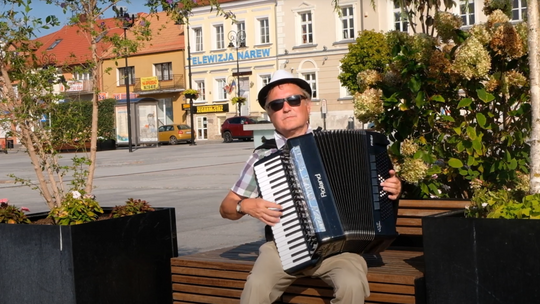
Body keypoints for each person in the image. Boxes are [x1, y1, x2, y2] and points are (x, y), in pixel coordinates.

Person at [219, 70, 402, 304]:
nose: (286, 108)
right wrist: (245, 205)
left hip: (339, 250)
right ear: (269, 114)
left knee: (351, 285)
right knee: (257, 288)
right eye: (276, 105)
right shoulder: (262, 158)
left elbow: (376, 188)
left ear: (308, 106)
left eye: (293, 100)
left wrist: (392, 188)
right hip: (282, 251)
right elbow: (226, 207)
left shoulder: (342, 147)